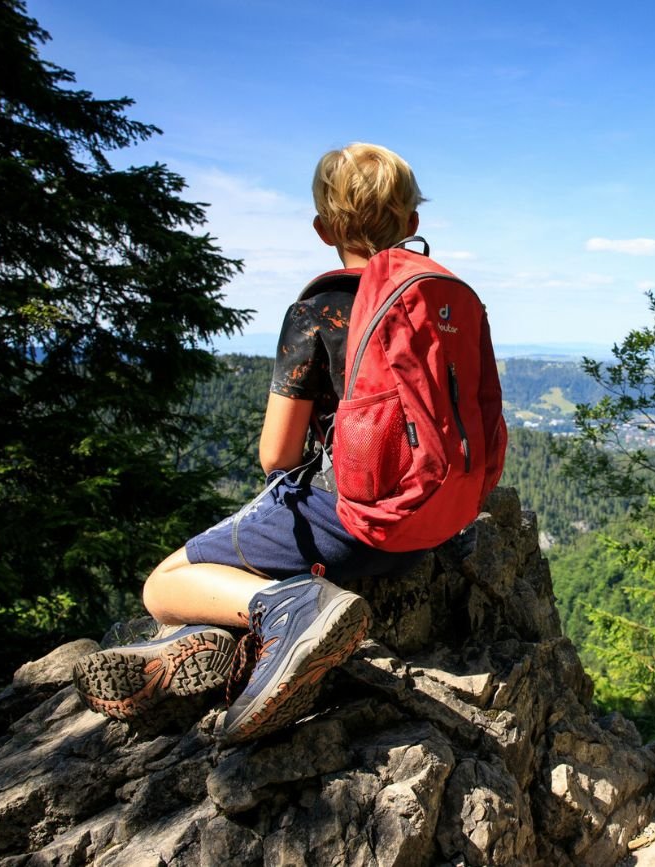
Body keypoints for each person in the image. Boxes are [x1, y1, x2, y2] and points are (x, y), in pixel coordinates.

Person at [74, 143, 430, 743]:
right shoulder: (435, 301)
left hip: (356, 525)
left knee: (162, 586)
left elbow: (277, 456)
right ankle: (212, 650)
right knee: (215, 595)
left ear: (323, 229)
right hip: (431, 523)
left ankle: (284, 611)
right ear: (414, 224)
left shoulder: (319, 309)